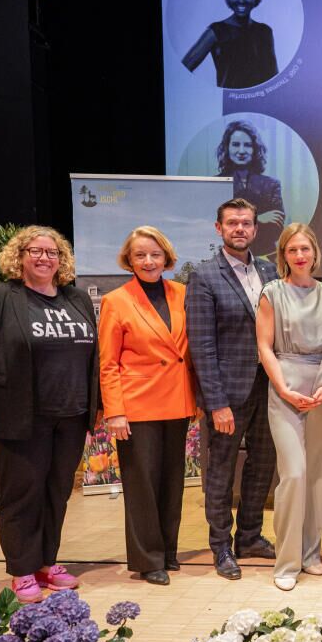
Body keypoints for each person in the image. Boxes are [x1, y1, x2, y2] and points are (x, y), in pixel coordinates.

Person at [0, 226, 98, 603]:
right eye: (35, 251)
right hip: (20, 417)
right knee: (22, 494)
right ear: (19, 257)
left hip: (71, 415)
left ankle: (47, 563)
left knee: (57, 492)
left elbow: (91, 355)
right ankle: (22, 570)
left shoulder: (76, 299)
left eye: (52, 252)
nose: (44, 258)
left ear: (61, 259)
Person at [186, 198, 279, 581]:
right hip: (228, 393)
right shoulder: (204, 276)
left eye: (246, 223)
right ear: (219, 228)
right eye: (232, 223)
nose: (239, 229)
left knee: (263, 463)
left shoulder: (269, 270)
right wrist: (215, 402)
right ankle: (221, 544)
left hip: (268, 387)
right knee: (222, 469)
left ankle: (250, 536)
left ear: (255, 229)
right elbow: (202, 346)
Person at [98, 226, 197, 586]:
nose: (148, 261)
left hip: (177, 400)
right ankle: (147, 559)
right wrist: (115, 411)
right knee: (142, 486)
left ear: (166, 257)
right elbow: (108, 363)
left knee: (172, 483)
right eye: (140, 255)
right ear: (129, 260)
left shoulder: (182, 294)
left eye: (155, 254)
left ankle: (168, 551)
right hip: (137, 406)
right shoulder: (116, 301)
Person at [258, 223, 322, 591]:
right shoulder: (272, 292)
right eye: (292, 249)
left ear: (315, 252)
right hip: (285, 382)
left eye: (305, 248)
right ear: (283, 255)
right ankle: (287, 561)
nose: (300, 255)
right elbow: (264, 346)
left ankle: (310, 553)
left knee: (317, 474)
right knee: (293, 472)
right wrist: (284, 388)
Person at [182, 0, 278, 89]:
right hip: (228, 98)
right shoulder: (217, 31)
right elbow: (183, 69)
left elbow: (273, 78)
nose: (241, 0)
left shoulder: (264, 32)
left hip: (259, 97)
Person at [217, 120, 284, 258]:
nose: (241, 151)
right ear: (227, 147)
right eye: (236, 144)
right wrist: (259, 219)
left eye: (247, 145)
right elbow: (212, 226)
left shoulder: (271, 185)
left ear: (255, 149)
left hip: (265, 256)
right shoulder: (217, 184)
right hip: (225, 257)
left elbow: (276, 229)